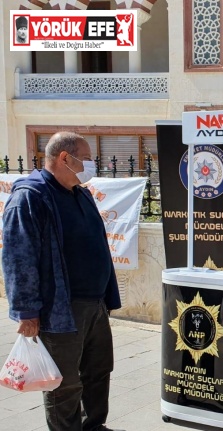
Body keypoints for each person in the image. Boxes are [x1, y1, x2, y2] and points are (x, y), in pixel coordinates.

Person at [2, 131, 121, 431]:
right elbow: (18, 259)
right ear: (65, 158)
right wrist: (27, 313)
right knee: (64, 384)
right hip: (60, 310)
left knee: (98, 372)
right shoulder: (30, 197)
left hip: (94, 304)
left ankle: (93, 426)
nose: (94, 164)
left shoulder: (81, 193)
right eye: (89, 158)